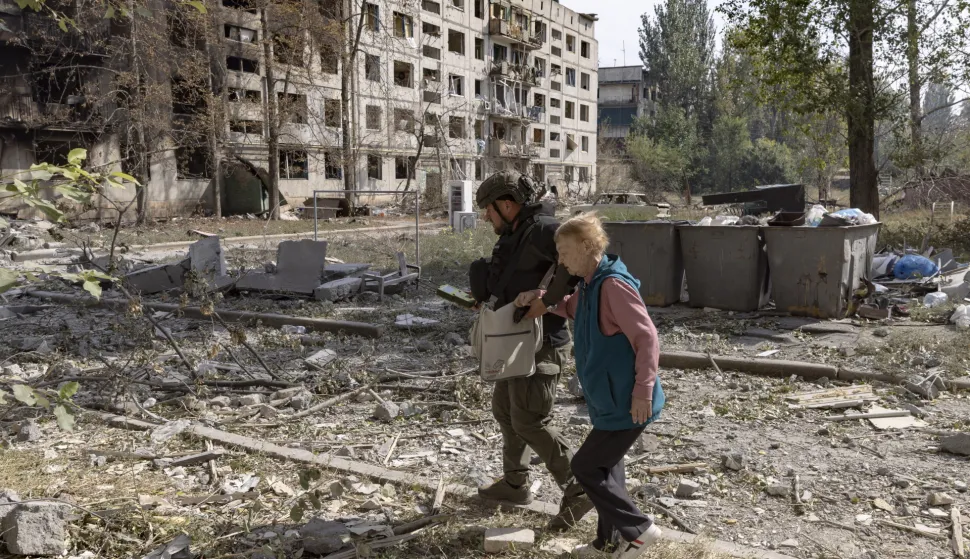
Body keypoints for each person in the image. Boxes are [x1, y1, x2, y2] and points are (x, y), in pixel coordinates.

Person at [515, 213, 666, 558]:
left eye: (565, 252)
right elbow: (572, 309)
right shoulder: (589, 283)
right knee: (608, 468)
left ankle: (639, 530)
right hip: (608, 398)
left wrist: (643, 390)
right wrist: (540, 296)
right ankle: (607, 544)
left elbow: (647, 338)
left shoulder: (612, 285)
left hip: (628, 400)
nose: (561, 261)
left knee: (584, 467)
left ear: (586, 246)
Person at [468, 170, 592, 531]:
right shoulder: (518, 233)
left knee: (530, 420)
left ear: (507, 204)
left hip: (542, 344)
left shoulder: (543, 229)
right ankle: (515, 484)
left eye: (488, 209)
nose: (486, 217)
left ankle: (580, 487)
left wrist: (549, 300)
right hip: (514, 342)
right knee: (506, 411)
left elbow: (582, 259)